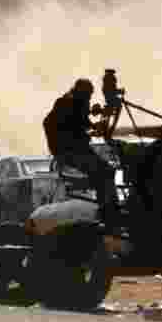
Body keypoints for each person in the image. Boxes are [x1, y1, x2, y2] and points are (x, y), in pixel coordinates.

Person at [44, 78, 118, 231]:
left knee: (104, 171)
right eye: (89, 95)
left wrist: (93, 124)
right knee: (105, 173)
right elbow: (78, 124)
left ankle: (108, 211)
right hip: (72, 152)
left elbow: (81, 124)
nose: (90, 99)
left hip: (72, 151)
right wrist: (95, 126)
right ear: (83, 93)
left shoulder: (69, 103)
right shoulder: (71, 104)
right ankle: (109, 215)